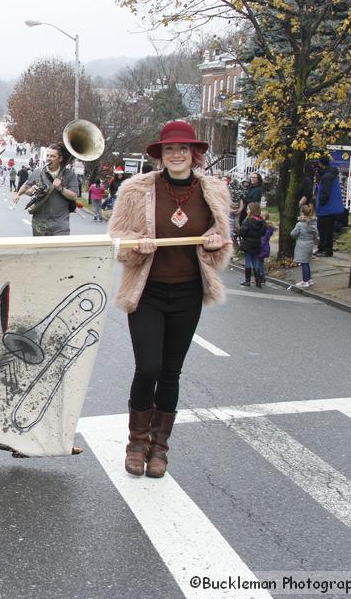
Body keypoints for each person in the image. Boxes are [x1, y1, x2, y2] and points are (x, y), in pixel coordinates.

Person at [108, 120, 232, 479]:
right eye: (169, 149)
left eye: (183, 149)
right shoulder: (137, 189)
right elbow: (117, 237)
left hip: (188, 292)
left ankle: (159, 448)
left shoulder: (214, 191)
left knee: (171, 372)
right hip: (147, 292)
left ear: (194, 154)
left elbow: (222, 241)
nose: (176, 155)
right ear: (160, 156)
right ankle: (136, 443)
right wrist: (137, 242)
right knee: (148, 367)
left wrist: (212, 241)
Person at [13, 142, 80, 236]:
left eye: (52, 156)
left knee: (59, 249)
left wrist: (60, 188)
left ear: (60, 158)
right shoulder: (38, 171)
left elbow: (74, 196)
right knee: (41, 250)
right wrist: (20, 193)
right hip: (40, 221)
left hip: (60, 223)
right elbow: (26, 186)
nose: (48, 158)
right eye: (47, 155)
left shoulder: (69, 174)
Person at [314, 155, 343, 256]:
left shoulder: (327, 176)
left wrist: (321, 202)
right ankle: (322, 248)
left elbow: (325, 192)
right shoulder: (331, 174)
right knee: (324, 228)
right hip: (329, 207)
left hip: (326, 208)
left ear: (321, 163)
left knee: (324, 229)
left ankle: (326, 249)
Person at [238, 202, 267, 288]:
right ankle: (258, 281)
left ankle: (247, 281)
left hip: (247, 243)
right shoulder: (262, 221)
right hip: (257, 243)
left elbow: (242, 232)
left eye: (248, 209)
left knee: (248, 261)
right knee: (256, 261)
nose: (247, 210)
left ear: (251, 211)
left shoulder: (248, 220)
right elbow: (263, 232)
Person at [291, 203, 318, 288]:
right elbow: (316, 233)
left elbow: (293, 234)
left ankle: (305, 280)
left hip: (302, 244)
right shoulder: (313, 223)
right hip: (310, 244)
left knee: (304, 263)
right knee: (307, 262)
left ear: (302, 213)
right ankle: (308, 279)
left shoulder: (300, 224)